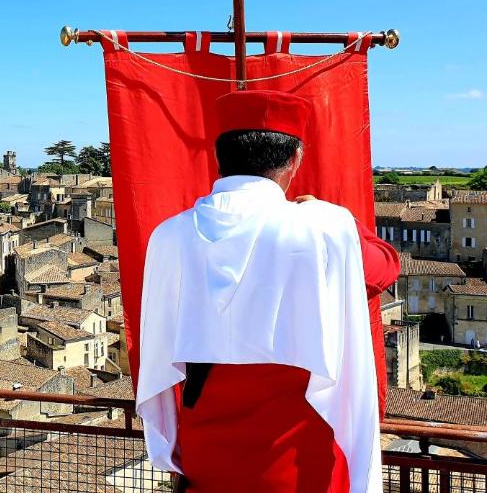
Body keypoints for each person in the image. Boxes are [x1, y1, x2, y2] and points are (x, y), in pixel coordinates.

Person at [136, 90, 399, 493]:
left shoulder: (168, 235)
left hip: (206, 448)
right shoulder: (323, 229)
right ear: (294, 160)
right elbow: (383, 267)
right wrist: (338, 220)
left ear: (219, 157)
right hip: (298, 451)